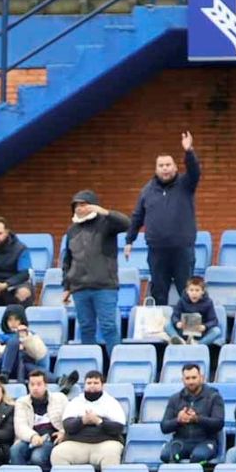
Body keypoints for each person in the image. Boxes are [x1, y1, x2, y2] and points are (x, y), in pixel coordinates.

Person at [126, 130, 201, 306]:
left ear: (175, 167)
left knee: (187, 292)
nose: (165, 168)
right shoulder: (147, 191)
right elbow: (137, 216)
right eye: (161, 165)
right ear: (156, 169)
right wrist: (130, 240)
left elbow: (195, 171)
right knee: (159, 292)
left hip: (182, 249)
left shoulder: (186, 184)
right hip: (157, 251)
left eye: (168, 164)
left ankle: (188, 330)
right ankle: (161, 330)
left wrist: (189, 151)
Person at [63, 190, 129, 355]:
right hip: (79, 288)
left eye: (83, 204)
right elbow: (67, 260)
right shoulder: (72, 230)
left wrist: (105, 212)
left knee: (108, 326)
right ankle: (90, 366)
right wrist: (66, 286)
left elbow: (126, 223)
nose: (79, 208)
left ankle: (116, 362)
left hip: (104, 286)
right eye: (76, 205)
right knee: (86, 327)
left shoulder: (106, 224)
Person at [49, 370, 126, 469]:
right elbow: (67, 426)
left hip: (105, 443)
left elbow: (118, 427)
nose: (92, 385)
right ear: (84, 385)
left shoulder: (111, 402)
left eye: (96, 383)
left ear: (102, 385)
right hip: (76, 443)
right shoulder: (76, 402)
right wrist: (82, 421)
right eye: (89, 383)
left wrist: (98, 421)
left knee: (111, 455)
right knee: (58, 454)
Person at [159, 362, 225, 464]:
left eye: (194, 378)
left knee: (198, 457)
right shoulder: (175, 399)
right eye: (187, 378)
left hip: (205, 441)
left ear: (201, 378)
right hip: (181, 441)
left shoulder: (214, 397)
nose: (191, 381)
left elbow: (219, 423)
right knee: (167, 456)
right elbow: (164, 427)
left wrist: (197, 419)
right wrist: (178, 420)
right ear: (183, 380)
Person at [9, 369, 66, 472]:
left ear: (46, 385)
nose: (35, 388)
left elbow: (68, 419)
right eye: (32, 384)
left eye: (39, 384)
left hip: (52, 439)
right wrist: (33, 436)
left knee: (37, 457)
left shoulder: (60, 399)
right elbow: (20, 426)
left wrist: (63, 432)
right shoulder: (21, 402)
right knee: (15, 451)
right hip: (30, 438)